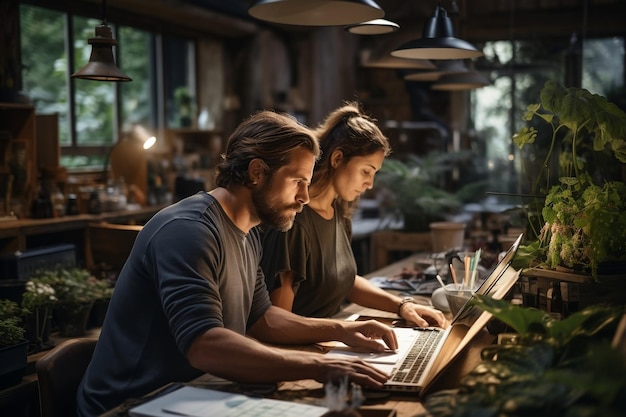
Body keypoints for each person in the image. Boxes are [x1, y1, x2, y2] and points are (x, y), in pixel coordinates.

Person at [76, 110, 398, 417]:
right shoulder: (190, 231)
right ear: (257, 172)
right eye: (297, 181)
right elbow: (205, 345)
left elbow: (265, 318)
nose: (304, 197)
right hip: (130, 405)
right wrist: (317, 366)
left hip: (191, 396)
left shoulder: (249, 232)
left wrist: (343, 330)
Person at [260, 102, 449, 328]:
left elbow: (345, 281)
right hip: (305, 350)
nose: (370, 184)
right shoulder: (295, 223)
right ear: (337, 158)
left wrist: (403, 306)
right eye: (366, 171)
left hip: (332, 338)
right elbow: (279, 324)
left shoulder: (338, 213)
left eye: (374, 174)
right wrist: (346, 332)